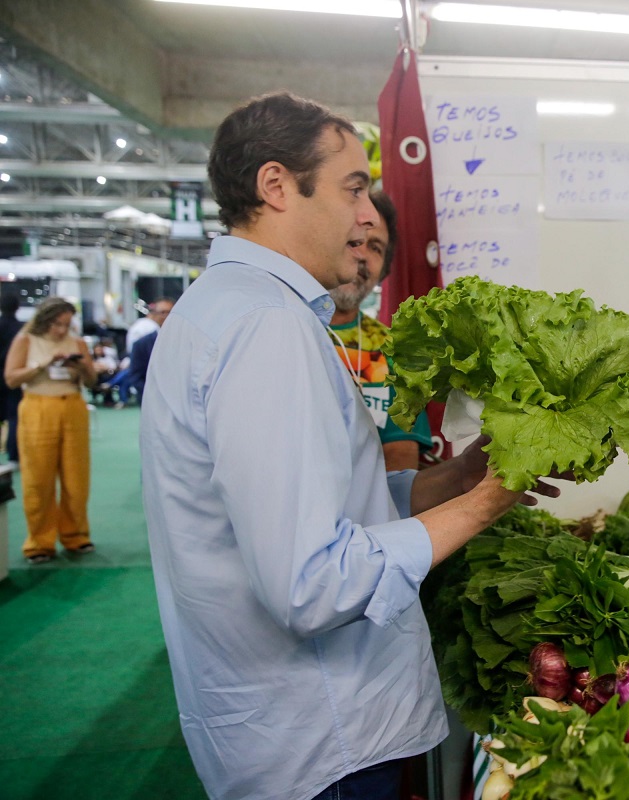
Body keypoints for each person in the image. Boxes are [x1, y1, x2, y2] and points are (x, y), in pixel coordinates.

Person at [140, 91, 561, 800]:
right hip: (321, 744)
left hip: (296, 731)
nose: (368, 215)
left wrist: (458, 477)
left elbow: (328, 507)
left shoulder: (235, 309)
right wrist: (488, 504)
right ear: (277, 186)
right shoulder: (265, 328)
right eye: (354, 188)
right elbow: (311, 582)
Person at [328, 190, 432, 472]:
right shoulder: (287, 328)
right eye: (354, 239)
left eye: (375, 247)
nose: (361, 254)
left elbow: (400, 461)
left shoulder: (391, 350)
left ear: (384, 270)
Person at [3, 296, 97, 563]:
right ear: (44, 320)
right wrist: (42, 365)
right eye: (57, 324)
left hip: (73, 406)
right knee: (38, 478)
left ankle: (76, 536)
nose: (61, 330)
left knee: (76, 477)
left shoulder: (77, 342)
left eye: (66, 325)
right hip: (37, 407)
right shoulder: (25, 340)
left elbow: (92, 381)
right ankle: (40, 543)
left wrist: (81, 366)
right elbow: (11, 378)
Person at [0, 294, 24, 463]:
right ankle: (14, 456)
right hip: (15, 375)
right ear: (17, 307)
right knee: (15, 416)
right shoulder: (22, 329)